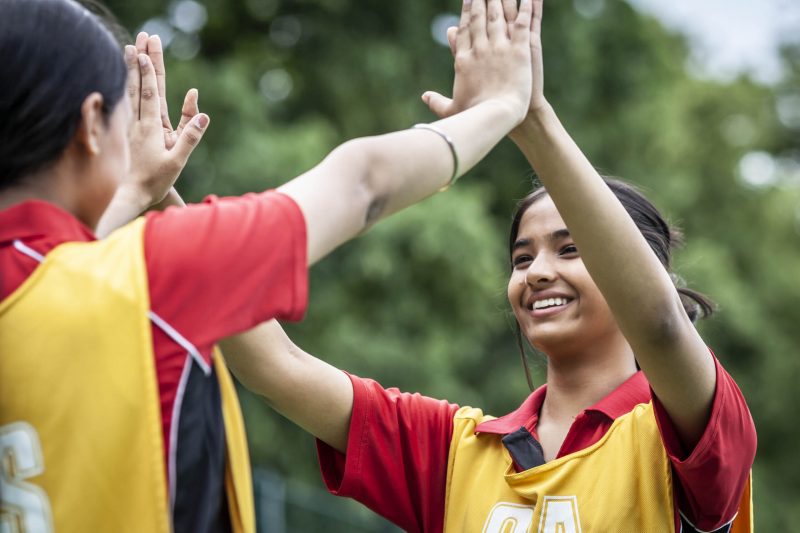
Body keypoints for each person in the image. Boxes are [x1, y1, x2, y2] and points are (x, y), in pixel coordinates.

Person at [218, 0, 757, 531]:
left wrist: (531, 120)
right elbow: (277, 366)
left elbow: (660, 326)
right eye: (522, 257)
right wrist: (161, 218)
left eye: (570, 249)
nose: (537, 272)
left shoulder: (688, 428)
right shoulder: (457, 450)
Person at [0, 0, 537, 531]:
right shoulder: (147, 271)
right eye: (122, 116)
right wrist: (500, 105)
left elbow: (49, 275)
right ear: (92, 124)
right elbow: (363, 183)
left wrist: (138, 189)